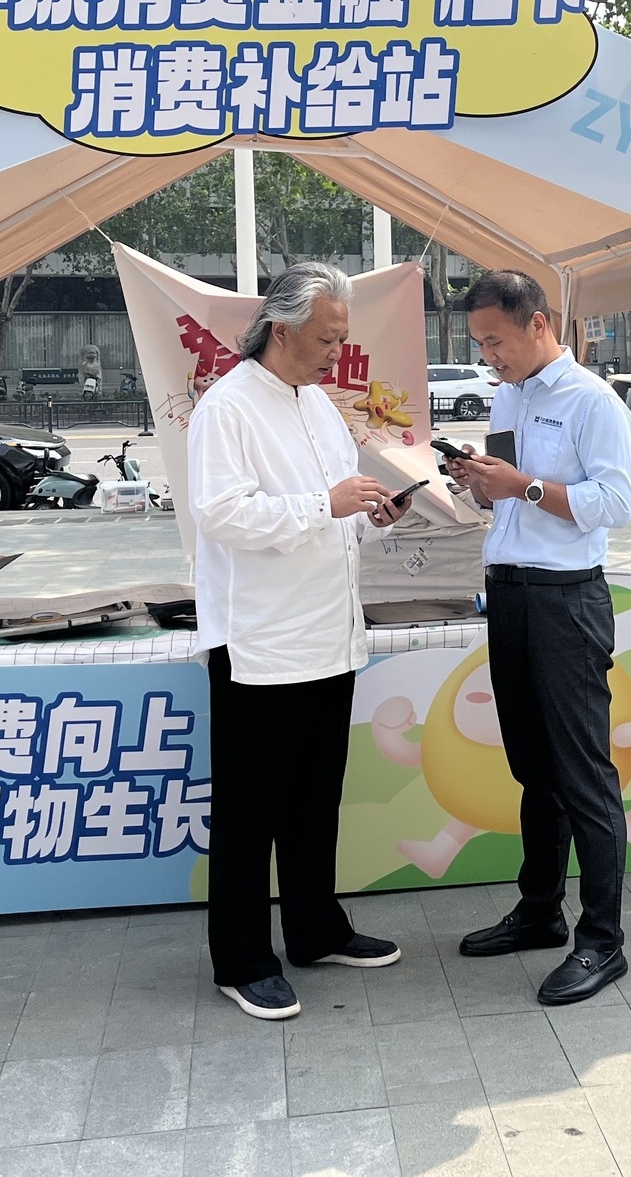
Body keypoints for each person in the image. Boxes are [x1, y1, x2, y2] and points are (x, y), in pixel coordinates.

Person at [188, 263, 408, 1021]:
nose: (336, 352)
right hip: (260, 644)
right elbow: (221, 513)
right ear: (281, 329)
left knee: (315, 802)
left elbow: (333, 514)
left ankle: (317, 930)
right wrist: (326, 504)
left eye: (342, 338)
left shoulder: (318, 404)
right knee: (250, 812)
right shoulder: (228, 406)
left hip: (328, 636)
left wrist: (369, 516)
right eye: (326, 338)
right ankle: (242, 959)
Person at [445, 270, 631, 1006]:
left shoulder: (592, 400)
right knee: (533, 767)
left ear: (537, 324)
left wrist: (521, 484)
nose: (489, 357)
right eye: (479, 344)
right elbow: (506, 496)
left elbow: (614, 502)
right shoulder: (507, 397)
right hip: (510, 594)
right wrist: (478, 482)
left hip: (566, 600)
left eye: (496, 341)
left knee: (583, 773)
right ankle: (539, 911)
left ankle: (603, 941)